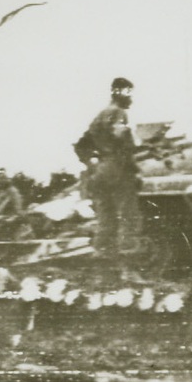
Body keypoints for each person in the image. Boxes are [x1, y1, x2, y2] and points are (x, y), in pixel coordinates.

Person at [80, 77, 144, 282]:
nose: (131, 99)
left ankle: (102, 273)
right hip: (118, 169)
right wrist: (134, 169)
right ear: (121, 93)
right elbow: (123, 143)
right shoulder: (119, 113)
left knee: (105, 221)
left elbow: (81, 145)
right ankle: (128, 271)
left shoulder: (99, 116)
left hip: (100, 171)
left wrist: (91, 164)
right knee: (128, 218)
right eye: (129, 94)